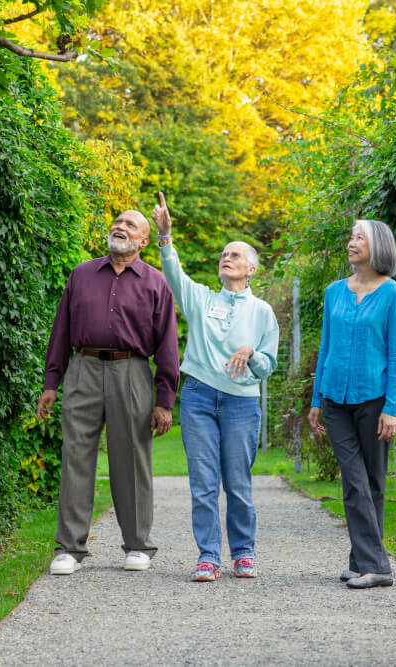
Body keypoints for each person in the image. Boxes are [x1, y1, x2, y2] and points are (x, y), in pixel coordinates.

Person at [37, 210, 180, 575]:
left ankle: (138, 545)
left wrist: (165, 400)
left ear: (144, 241)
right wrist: (51, 382)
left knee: (131, 459)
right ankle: (69, 548)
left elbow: (167, 344)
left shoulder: (155, 283)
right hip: (82, 369)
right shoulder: (82, 274)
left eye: (131, 224)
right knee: (75, 458)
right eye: (118, 221)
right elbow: (61, 331)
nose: (120, 227)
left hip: (131, 371)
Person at [152, 192, 279, 582]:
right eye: (225, 254)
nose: (228, 257)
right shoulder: (201, 299)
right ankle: (208, 555)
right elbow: (174, 274)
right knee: (204, 484)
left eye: (236, 255)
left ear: (252, 269)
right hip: (198, 399)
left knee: (238, 484)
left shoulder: (262, 312)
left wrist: (253, 352)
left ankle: (243, 553)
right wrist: (165, 237)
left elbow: (268, 366)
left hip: (241, 404)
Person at [307, 219, 396, 589]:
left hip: (375, 399)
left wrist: (392, 407)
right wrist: (317, 398)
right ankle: (375, 564)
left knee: (373, 483)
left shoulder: (393, 294)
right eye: (351, 236)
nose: (351, 242)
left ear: (378, 246)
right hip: (335, 400)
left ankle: (364, 563)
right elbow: (326, 348)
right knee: (354, 480)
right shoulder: (334, 292)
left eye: (359, 238)